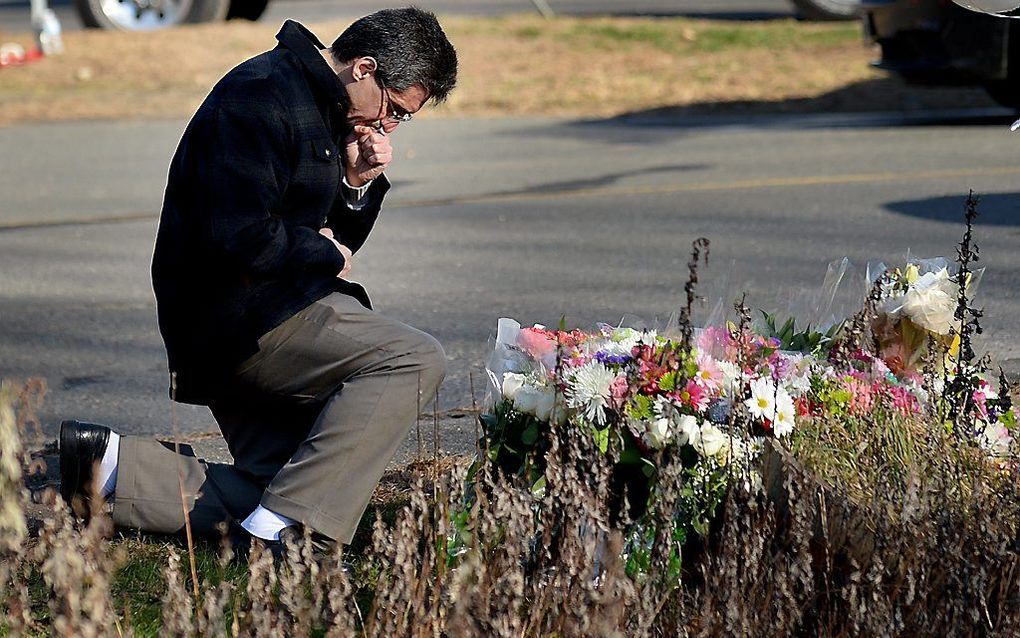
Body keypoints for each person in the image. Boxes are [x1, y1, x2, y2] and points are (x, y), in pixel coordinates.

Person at [58, 8, 458, 555]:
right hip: (240, 322)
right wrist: (321, 248)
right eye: (395, 110)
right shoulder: (261, 96)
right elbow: (237, 235)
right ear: (364, 68)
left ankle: (108, 471)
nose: (389, 126)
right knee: (412, 358)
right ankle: (291, 539)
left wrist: (354, 184)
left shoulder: (322, 107)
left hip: (260, 314)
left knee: (293, 485)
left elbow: (328, 245)